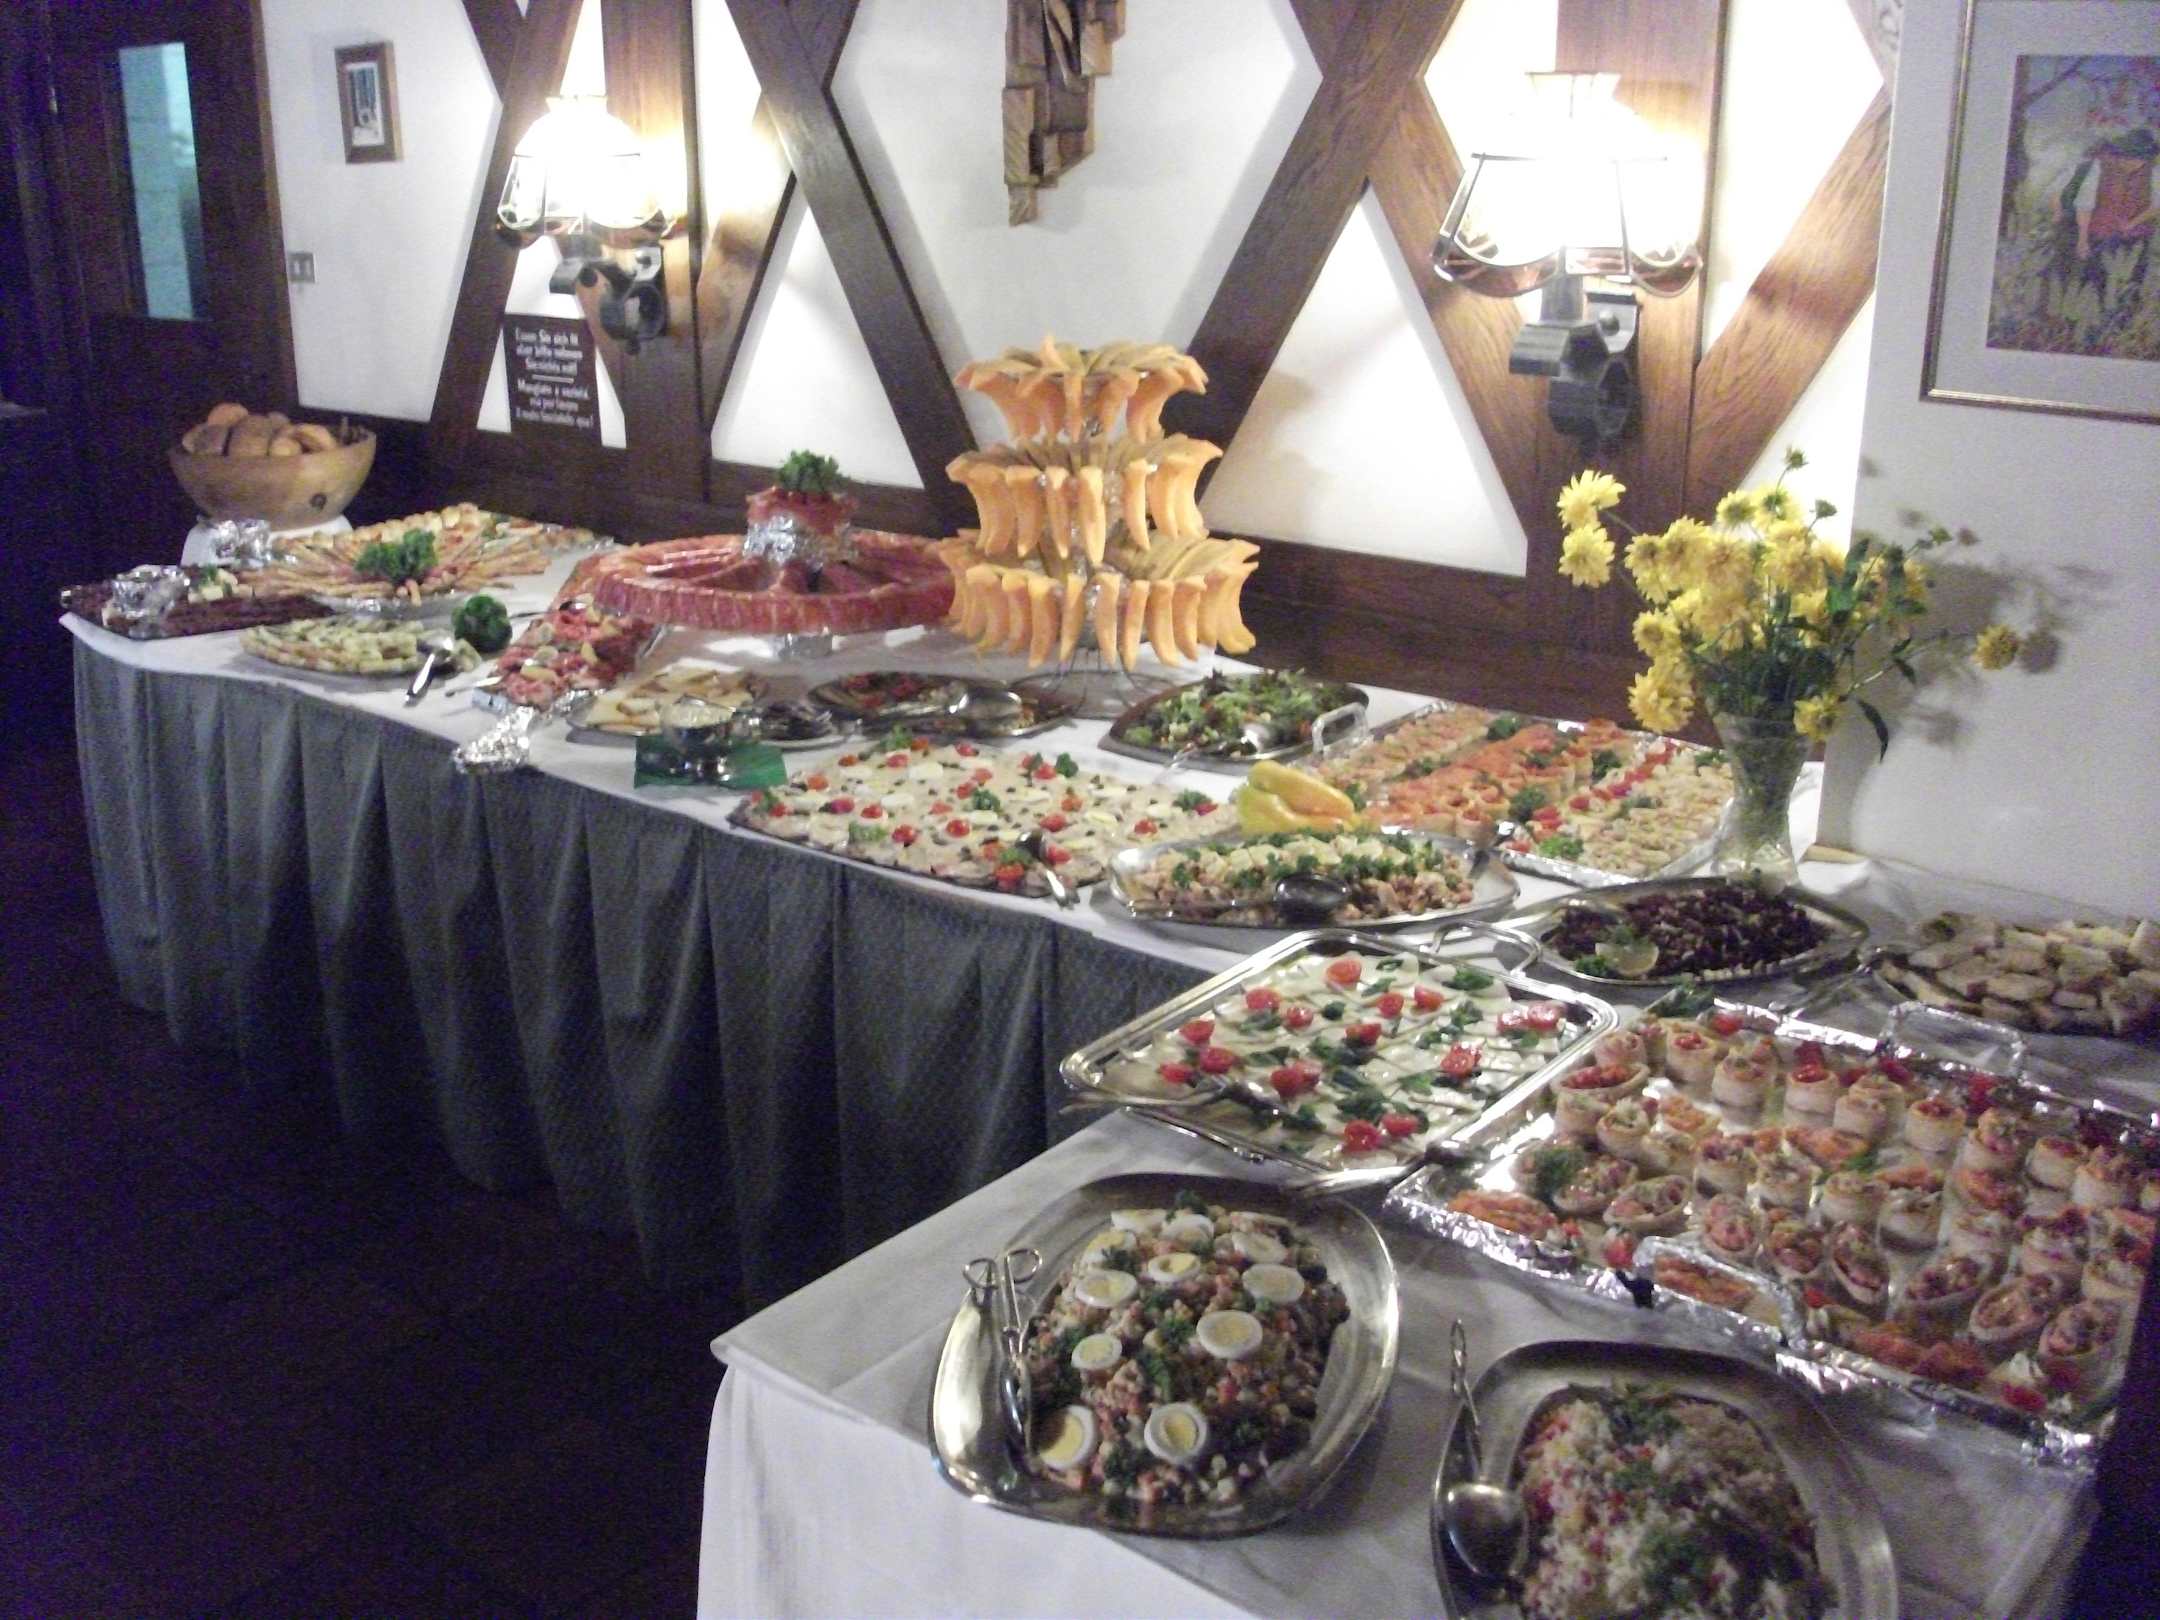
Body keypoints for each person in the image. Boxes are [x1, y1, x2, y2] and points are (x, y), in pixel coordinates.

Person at [2058, 127, 2158, 307]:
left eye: (2140, 159)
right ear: (2121, 154)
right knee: (2094, 285)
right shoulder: (2099, 168)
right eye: (2130, 157)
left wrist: (2132, 223)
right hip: (2099, 236)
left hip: (2136, 239)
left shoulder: (2153, 172)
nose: (2134, 164)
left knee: (2130, 286)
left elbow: (2156, 205)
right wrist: (2082, 239)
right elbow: (2084, 204)